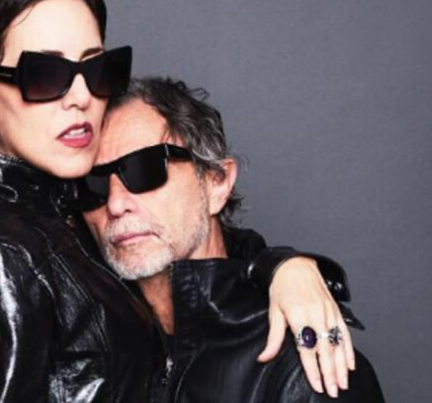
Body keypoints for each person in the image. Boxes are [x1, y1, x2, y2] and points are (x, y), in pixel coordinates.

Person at [0, 0, 359, 402]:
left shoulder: (66, 209)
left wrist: (283, 268)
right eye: (45, 74)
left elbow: (189, 246)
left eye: (94, 69)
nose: (80, 97)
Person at [78, 77, 385, 402]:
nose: (115, 204)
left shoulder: (303, 373)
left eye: (145, 169)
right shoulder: (89, 355)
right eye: (93, 184)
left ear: (217, 183)